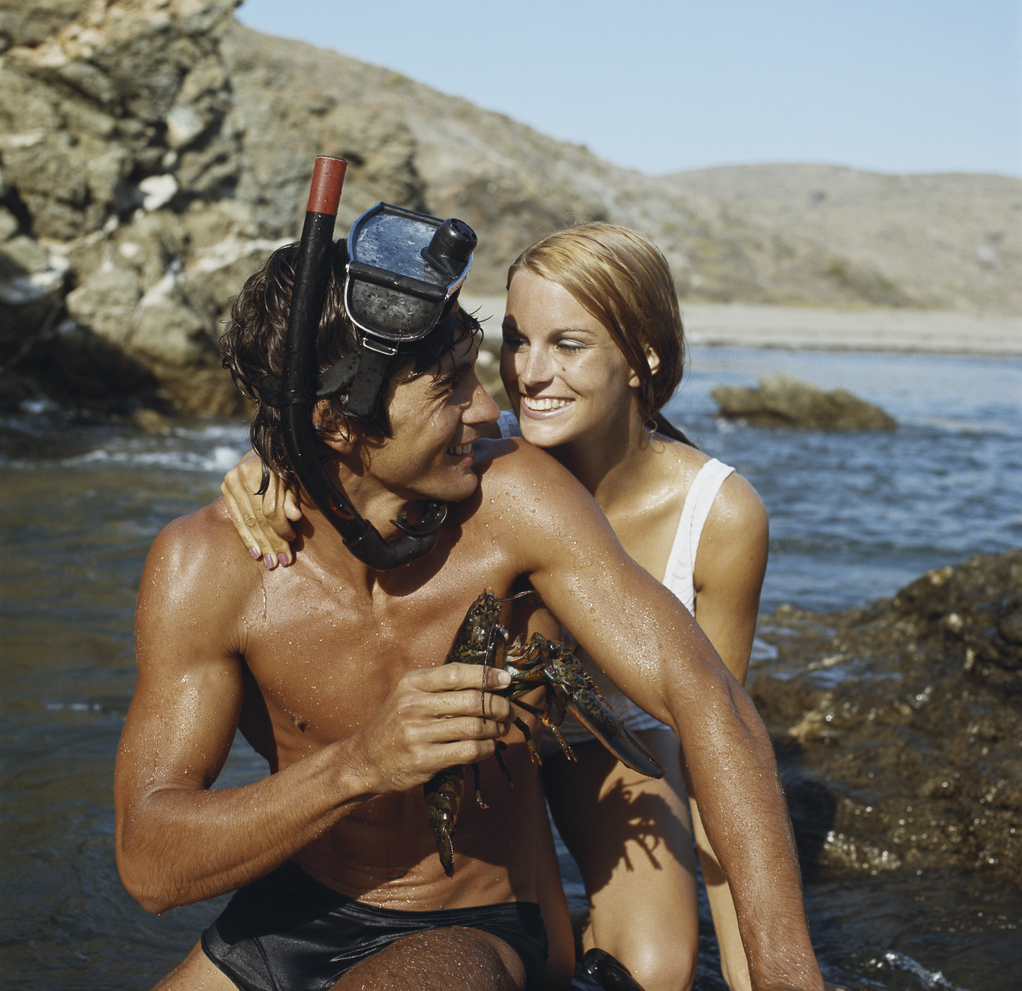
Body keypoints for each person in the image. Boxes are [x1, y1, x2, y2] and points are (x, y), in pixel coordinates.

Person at [115, 214, 830, 991]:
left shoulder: (516, 496)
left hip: (465, 928)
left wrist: (787, 976)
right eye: (452, 384)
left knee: (643, 967)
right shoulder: (206, 564)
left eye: (475, 368)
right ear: (337, 422)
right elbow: (150, 864)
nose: (495, 407)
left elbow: (710, 698)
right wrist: (358, 765)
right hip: (285, 916)